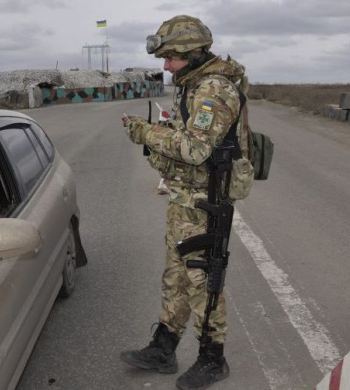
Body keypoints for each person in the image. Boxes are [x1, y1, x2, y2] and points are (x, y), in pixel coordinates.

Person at [119, 15, 251, 390]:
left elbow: (194, 148)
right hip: (186, 197)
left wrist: (145, 132)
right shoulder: (191, 85)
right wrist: (154, 140)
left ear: (190, 54)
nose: (164, 66)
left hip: (206, 200)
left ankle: (213, 358)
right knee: (175, 276)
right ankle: (164, 348)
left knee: (201, 278)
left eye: (169, 58)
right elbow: (181, 137)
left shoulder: (213, 90)